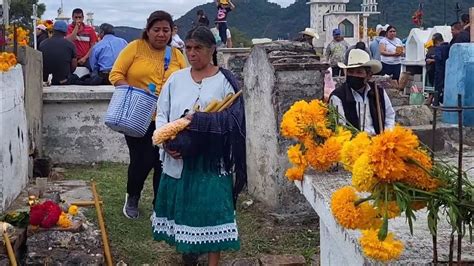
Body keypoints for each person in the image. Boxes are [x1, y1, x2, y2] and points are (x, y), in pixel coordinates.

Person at [152, 26, 246, 266]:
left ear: (212, 49)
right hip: (179, 157)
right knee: (187, 207)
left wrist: (202, 122)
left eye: (198, 48)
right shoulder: (176, 79)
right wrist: (166, 142)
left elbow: (235, 119)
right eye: (188, 48)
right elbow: (162, 114)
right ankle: (189, 249)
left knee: (214, 210)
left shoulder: (225, 82)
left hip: (212, 160)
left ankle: (212, 261)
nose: (192, 53)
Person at [109, 10, 187, 219]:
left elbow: (186, 80)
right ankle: (132, 197)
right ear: (148, 30)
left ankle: (158, 204)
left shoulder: (177, 55)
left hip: (167, 119)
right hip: (137, 116)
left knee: (162, 161)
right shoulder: (134, 48)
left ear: (172, 32)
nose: (161, 34)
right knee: (142, 160)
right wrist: (134, 93)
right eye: (157, 30)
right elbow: (115, 74)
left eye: (166, 30)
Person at [329, 49, 395, 135]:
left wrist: (386, 138)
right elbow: (340, 127)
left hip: (379, 141)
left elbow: (389, 117)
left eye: (359, 72)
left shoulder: (378, 92)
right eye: (351, 72)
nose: (354, 75)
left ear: (369, 75)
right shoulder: (338, 96)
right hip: (353, 144)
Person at [39, 21, 77, 85]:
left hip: (46, 80)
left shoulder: (42, 44)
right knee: (75, 77)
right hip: (63, 81)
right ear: (65, 32)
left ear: (53, 30)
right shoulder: (71, 45)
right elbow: (73, 66)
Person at [434, 35, 450, 105]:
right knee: (447, 86)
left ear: (437, 41)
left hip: (440, 70)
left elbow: (438, 57)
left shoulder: (438, 48)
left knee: (438, 87)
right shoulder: (449, 46)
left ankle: (436, 102)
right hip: (448, 70)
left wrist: (434, 58)